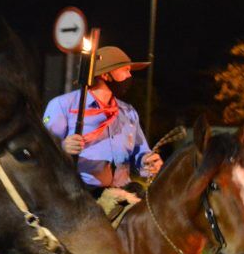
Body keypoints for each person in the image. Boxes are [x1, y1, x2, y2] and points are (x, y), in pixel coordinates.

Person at [42, 46, 163, 204]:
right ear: (106, 75)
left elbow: (140, 154)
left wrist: (148, 162)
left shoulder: (128, 112)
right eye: (125, 70)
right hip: (80, 198)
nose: (129, 75)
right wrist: (63, 147)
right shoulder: (63, 105)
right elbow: (42, 150)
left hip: (123, 197)